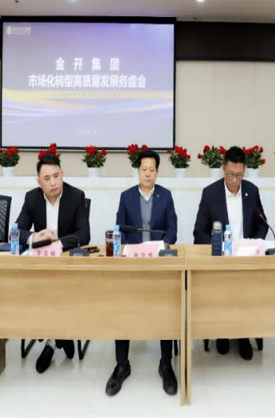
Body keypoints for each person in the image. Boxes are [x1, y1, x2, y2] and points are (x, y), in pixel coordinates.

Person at [105, 149, 178, 397]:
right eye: (144, 169)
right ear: (137, 171)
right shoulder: (126, 197)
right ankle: (122, 364)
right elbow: (119, 229)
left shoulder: (165, 195)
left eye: (152, 170)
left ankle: (165, 362)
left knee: (167, 306)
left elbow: (172, 228)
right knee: (123, 307)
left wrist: (164, 244)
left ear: (157, 172)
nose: (148, 174)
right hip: (133, 263)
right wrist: (129, 250)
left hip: (158, 262)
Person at [14, 153, 91, 374]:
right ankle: (61, 336)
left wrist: (57, 242)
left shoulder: (76, 196)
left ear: (62, 174)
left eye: (56, 176)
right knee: (39, 289)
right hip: (40, 266)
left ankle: (50, 342)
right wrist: (34, 237)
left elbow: (84, 234)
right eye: (47, 179)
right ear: (39, 182)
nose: (53, 182)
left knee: (56, 289)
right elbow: (16, 231)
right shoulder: (32, 198)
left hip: (67, 264)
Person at [193, 146, 268, 361]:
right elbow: (199, 231)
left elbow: (262, 224)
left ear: (244, 172)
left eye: (239, 175)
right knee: (222, 291)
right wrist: (217, 249)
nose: (235, 180)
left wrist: (254, 244)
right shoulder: (210, 193)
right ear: (223, 169)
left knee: (246, 292)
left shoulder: (251, 191)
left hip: (246, 257)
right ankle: (222, 333)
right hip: (220, 259)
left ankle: (243, 335)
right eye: (230, 174)